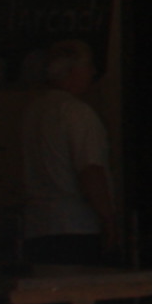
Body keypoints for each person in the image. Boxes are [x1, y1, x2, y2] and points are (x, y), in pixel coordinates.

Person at [19, 39, 120, 262]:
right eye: (88, 66)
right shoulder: (77, 113)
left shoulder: (33, 112)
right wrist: (109, 220)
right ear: (72, 71)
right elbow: (90, 172)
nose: (93, 73)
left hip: (37, 227)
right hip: (75, 227)